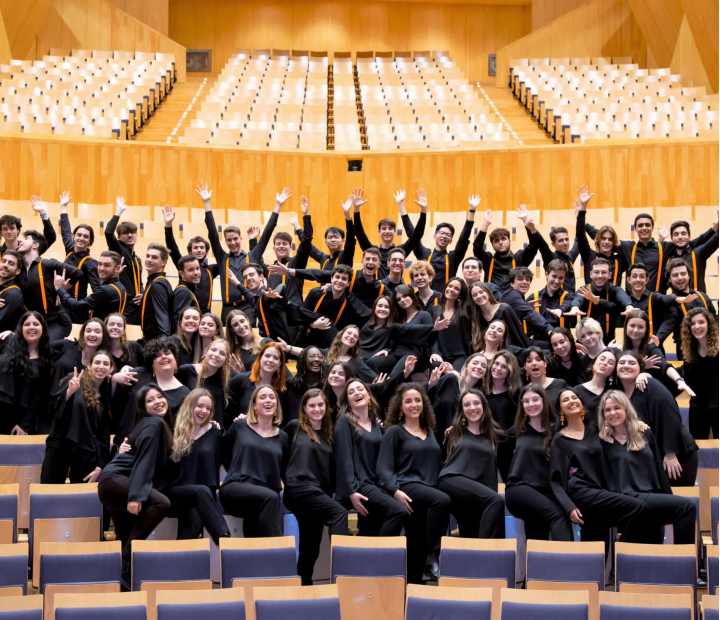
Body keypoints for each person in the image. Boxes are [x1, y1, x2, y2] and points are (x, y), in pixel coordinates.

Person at [599, 390, 695, 545]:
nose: (612, 413)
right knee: (687, 507)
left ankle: (620, 565)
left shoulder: (644, 433)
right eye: (607, 410)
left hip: (649, 497)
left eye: (616, 408)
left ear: (626, 409)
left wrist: (667, 499)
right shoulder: (601, 441)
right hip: (625, 497)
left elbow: (657, 469)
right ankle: (683, 560)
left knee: (652, 541)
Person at [98, 385, 173, 584]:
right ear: (142, 407)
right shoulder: (152, 423)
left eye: (160, 396)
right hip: (116, 482)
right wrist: (136, 495)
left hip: (112, 485)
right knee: (161, 503)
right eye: (150, 400)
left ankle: (123, 587)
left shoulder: (151, 426)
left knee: (126, 538)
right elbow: (144, 460)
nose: (157, 401)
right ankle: (125, 556)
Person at [550, 388, 646, 543]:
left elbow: (620, 427)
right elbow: (555, 480)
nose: (571, 401)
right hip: (580, 491)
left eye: (574, 397)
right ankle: (624, 556)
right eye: (565, 400)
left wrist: (637, 424)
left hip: (601, 491)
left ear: (581, 403)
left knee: (597, 540)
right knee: (637, 507)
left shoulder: (596, 429)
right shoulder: (559, 440)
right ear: (560, 410)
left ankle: (611, 565)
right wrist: (568, 507)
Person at [377, 384, 451, 583]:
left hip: (428, 491)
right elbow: (384, 467)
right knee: (443, 500)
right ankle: (433, 556)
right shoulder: (394, 431)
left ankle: (413, 588)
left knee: (416, 542)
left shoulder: (430, 431)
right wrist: (395, 492)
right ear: (400, 407)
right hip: (407, 488)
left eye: (418, 400)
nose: (414, 404)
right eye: (408, 401)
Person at [283, 389, 349, 584]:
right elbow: (278, 452)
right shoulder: (294, 427)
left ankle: (304, 589)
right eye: (312, 405)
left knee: (310, 547)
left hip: (318, 493)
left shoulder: (330, 434)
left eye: (320, 405)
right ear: (304, 408)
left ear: (327, 407)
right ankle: (342, 575)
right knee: (339, 514)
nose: (317, 409)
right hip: (299, 486)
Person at [197, 183, 287, 322]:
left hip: (248, 306)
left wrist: (278, 206)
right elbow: (212, 232)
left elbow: (267, 233)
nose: (232, 243)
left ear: (241, 238)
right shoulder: (222, 258)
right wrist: (206, 203)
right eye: (229, 240)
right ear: (225, 242)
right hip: (227, 308)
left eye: (235, 239)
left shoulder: (252, 256)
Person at [334, 379, 407, 536]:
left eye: (360, 389)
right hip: (359, 485)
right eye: (351, 392)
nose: (356, 393)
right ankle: (379, 556)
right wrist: (351, 491)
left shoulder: (376, 424)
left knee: (370, 530)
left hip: (376, 484)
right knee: (398, 511)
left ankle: (367, 559)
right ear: (348, 401)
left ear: (368, 395)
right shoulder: (344, 422)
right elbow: (343, 458)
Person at [616, 351, 698, 487]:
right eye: (622, 363)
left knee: (678, 500)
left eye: (632, 363)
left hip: (676, 452)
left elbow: (671, 416)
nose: (626, 366)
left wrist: (671, 453)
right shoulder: (618, 394)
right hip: (652, 455)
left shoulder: (650, 384)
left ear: (640, 368)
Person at [160, 389, 230, 544]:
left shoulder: (214, 432)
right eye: (200, 406)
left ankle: (180, 561)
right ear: (189, 405)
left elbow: (230, 456)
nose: (204, 411)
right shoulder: (172, 429)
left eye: (208, 408)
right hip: (175, 493)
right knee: (199, 495)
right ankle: (226, 540)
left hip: (202, 495)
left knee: (189, 531)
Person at [504, 385, 573, 541]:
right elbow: (491, 441)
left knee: (537, 531)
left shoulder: (556, 430)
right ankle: (569, 564)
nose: (531, 404)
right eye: (526, 401)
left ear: (544, 401)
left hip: (545, 491)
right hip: (519, 488)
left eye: (535, 399)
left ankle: (538, 565)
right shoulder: (516, 431)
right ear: (522, 405)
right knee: (559, 516)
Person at [220, 385, 290, 537]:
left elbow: (285, 471)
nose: (268, 400)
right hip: (236, 487)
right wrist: (236, 469)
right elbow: (223, 452)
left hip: (263, 498)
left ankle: (257, 557)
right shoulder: (240, 426)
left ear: (277, 405)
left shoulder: (283, 437)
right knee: (271, 497)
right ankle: (281, 552)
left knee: (259, 520)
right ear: (254, 405)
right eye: (263, 397)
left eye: (272, 397)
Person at [438, 389, 508, 539]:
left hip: (478, 493)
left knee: (474, 531)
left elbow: (506, 467)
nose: (472, 408)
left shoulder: (497, 436)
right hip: (452, 480)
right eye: (467, 404)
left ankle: (488, 559)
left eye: (476, 403)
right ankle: (482, 552)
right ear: (462, 410)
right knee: (495, 500)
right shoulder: (455, 432)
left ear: (484, 405)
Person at [41, 352, 119, 484]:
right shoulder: (75, 379)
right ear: (89, 366)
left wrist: (100, 466)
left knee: (82, 495)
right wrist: (69, 392)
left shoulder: (106, 396)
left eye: (106, 364)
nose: (101, 366)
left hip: (85, 453)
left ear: (111, 369)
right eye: (97, 362)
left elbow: (102, 437)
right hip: (60, 445)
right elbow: (52, 409)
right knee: (49, 491)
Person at [114, 337, 190, 446]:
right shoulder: (137, 374)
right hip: (124, 441)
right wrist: (114, 377)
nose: (163, 357)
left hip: (154, 446)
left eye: (167, 353)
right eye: (157, 355)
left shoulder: (184, 393)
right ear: (152, 362)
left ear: (175, 359)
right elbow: (115, 400)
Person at [17, 229, 80, 340]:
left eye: (26, 239)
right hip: (34, 322)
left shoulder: (47, 264)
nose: (21, 240)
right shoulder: (19, 270)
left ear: (35, 245)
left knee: (45, 349)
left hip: (56, 320)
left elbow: (77, 273)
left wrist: (61, 289)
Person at [353, 187, 427, 278]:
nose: (387, 231)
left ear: (394, 232)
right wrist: (356, 210)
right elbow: (360, 235)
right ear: (379, 232)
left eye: (390, 228)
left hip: (397, 290)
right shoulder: (373, 251)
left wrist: (423, 211)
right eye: (384, 229)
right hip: (378, 290)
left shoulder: (401, 251)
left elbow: (417, 235)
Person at [409, 192, 476, 292]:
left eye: (448, 235)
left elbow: (463, 239)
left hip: (446, 300)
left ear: (450, 241)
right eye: (441, 233)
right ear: (435, 236)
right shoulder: (424, 253)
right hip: (425, 300)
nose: (444, 236)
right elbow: (413, 236)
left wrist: (472, 211)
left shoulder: (453, 257)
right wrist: (423, 210)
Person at [0, 311, 55, 434]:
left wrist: (23, 424)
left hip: (27, 417)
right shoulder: (8, 343)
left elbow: (38, 395)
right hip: (3, 413)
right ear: (21, 328)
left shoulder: (47, 356)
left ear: (43, 328)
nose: (31, 327)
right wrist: (10, 334)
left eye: (36, 324)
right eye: (27, 324)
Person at [162, 205, 218, 313]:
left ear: (206, 251)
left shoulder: (211, 269)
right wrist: (168, 226)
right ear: (190, 251)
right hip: (189, 313)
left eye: (202, 248)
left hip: (206, 315)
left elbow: (223, 257)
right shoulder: (184, 264)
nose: (199, 250)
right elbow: (173, 250)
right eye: (195, 248)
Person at [565, 258, 634, 344]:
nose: (600, 275)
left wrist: (629, 307)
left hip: (608, 342)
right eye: (596, 272)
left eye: (604, 272)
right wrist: (575, 307)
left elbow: (623, 298)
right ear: (591, 274)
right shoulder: (584, 289)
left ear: (610, 274)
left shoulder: (615, 290)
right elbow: (578, 299)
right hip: (585, 342)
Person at [302, 264, 371, 348]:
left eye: (344, 279)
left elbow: (368, 314)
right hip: (309, 336)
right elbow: (301, 316)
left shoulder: (350, 301)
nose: (340, 281)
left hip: (329, 342)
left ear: (348, 283)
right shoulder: (316, 293)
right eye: (337, 277)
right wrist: (313, 325)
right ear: (331, 279)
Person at [57, 191, 100, 323]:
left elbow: (97, 290)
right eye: (79, 235)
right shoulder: (70, 249)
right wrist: (63, 207)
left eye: (86, 236)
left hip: (76, 308)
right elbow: (65, 231)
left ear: (90, 241)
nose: (81, 238)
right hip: (60, 303)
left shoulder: (91, 263)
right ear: (74, 236)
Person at [473, 205, 539, 292]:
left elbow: (534, 245)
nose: (500, 242)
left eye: (503, 239)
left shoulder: (519, 258)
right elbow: (477, 248)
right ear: (492, 246)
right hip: (493, 301)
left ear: (510, 242)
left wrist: (527, 223)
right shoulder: (488, 259)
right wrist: (485, 225)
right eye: (496, 241)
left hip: (513, 302)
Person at [390, 285, 449, 375]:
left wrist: (429, 360)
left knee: (395, 374)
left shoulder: (424, 315)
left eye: (405, 296)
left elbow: (431, 339)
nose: (402, 300)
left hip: (414, 355)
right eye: (398, 299)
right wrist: (386, 349)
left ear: (412, 295)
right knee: (374, 362)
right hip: (396, 353)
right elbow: (394, 338)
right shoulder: (398, 318)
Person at [666, 258, 718, 359]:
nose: (680, 278)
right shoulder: (669, 302)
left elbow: (715, 320)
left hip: (711, 348)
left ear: (689, 275)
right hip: (686, 351)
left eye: (683, 274)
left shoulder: (703, 296)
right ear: (669, 279)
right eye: (675, 275)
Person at [55, 251, 127, 321]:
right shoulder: (121, 287)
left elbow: (76, 305)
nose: (101, 268)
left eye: (107, 265)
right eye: (99, 264)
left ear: (117, 268)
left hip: (103, 331)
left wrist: (59, 289)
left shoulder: (106, 290)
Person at [681, 307, 719, 439]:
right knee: (697, 449)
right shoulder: (689, 352)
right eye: (692, 323)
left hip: (718, 408)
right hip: (698, 409)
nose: (697, 326)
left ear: (709, 324)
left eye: (701, 322)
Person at [576, 187, 627, 286]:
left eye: (610, 239)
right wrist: (583, 207)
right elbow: (580, 235)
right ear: (598, 240)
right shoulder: (589, 256)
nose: (606, 242)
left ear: (613, 242)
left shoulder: (620, 260)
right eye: (603, 238)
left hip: (613, 301)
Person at [177, 339, 232, 428]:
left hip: (213, 431)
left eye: (222, 353)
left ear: (226, 360)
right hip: (187, 427)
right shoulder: (186, 371)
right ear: (206, 352)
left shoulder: (226, 381)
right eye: (213, 350)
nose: (216, 355)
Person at [105, 197, 143, 324]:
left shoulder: (137, 259)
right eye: (126, 233)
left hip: (137, 305)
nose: (130, 235)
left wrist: (141, 293)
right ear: (119, 237)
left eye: (133, 232)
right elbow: (108, 232)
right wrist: (118, 211)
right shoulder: (119, 249)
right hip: (123, 304)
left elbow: (139, 282)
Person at [625, 263, 681, 348]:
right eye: (634, 276)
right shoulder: (625, 301)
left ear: (647, 280)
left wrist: (659, 337)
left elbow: (671, 318)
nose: (638, 279)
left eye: (642, 276)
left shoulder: (656, 299)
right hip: (631, 349)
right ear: (628, 280)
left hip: (654, 347)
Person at [228, 342, 288, 420]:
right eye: (267, 356)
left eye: (276, 358)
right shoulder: (240, 380)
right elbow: (227, 409)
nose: (271, 360)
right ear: (260, 357)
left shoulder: (281, 391)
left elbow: (279, 420)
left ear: (280, 364)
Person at [525, 209, 579, 292]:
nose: (565, 243)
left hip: (570, 300)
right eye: (560, 240)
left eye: (566, 239)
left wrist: (580, 218)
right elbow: (543, 246)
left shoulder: (570, 257)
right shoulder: (551, 258)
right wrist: (533, 229)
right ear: (553, 244)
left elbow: (579, 240)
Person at [661, 217, 719, 293]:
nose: (680, 237)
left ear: (689, 236)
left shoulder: (698, 253)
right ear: (671, 239)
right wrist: (660, 240)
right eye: (676, 234)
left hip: (698, 302)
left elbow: (716, 238)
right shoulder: (668, 260)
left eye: (683, 233)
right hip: (677, 303)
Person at [304, 192, 357, 272]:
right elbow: (307, 244)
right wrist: (306, 215)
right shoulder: (323, 258)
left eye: (336, 237)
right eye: (330, 237)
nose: (333, 240)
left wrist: (347, 213)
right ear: (326, 242)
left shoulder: (345, 256)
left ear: (343, 241)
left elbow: (351, 239)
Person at [469, 282, 529, 349]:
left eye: (481, 292)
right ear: (472, 300)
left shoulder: (505, 309)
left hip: (509, 353)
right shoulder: (476, 318)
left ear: (488, 292)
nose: (479, 296)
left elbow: (518, 334)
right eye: (475, 295)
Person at [52, 317, 110, 385]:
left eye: (97, 332)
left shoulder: (103, 360)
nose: (92, 335)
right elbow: (43, 348)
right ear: (83, 334)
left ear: (103, 336)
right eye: (88, 331)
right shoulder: (68, 343)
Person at [430, 278, 473, 371]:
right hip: (439, 354)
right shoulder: (434, 310)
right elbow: (431, 335)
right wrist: (434, 352)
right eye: (450, 286)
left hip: (460, 355)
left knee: (454, 376)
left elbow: (468, 338)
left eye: (456, 289)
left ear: (460, 294)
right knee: (435, 367)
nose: (452, 289)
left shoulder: (464, 313)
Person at [503, 266, 553, 341]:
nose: (524, 282)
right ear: (511, 283)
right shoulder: (511, 295)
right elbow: (529, 312)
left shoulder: (517, 297)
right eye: (520, 279)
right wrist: (550, 330)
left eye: (527, 279)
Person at [526, 259, 575, 331]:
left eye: (561, 278)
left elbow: (567, 304)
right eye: (554, 276)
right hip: (539, 340)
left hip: (561, 340)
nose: (557, 281)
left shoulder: (568, 296)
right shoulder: (533, 298)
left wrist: (561, 309)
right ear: (546, 274)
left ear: (564, 279)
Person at [139, 243, 173, 341]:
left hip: (156, 341)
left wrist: (163, 344)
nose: (149, 260)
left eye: (154, 257)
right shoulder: (155, 281)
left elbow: (162, 315)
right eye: (147, 256)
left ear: (163, 262)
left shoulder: (158, 284)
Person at [521, 346, 569, 412]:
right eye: (529, 361)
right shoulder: (524, 391)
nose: (534, 363)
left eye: (538, 359)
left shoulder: (560, 384)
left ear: (545, 364)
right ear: (525, 367)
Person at [485, 351, 523, 431]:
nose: (498, 368)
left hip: (506, 439)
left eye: (504, 367)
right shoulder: (481, 391)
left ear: (510, 371)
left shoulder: (516, 395)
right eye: (496, 363)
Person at [360, 295, 398, 375]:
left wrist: (387, 350)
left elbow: (395, 345)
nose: (382, 309)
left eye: (386, 307)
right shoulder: (367, 326)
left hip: (378, 357)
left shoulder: (393, 327)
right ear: (374, 308)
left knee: (370, 362)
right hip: (362, 354)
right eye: (380, 306)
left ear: (391, 310)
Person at [573, 348, 618, 415]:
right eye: (602, 359)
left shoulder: (615, 390)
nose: (605, 363)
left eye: (610, 363)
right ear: (594, 363)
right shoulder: (577, 390)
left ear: (613, 370)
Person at [286, 346, 325, 420]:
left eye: (320, 357)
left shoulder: (326, 387)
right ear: (304, 360)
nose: (316, 359)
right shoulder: (290, 384)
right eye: (312, 356)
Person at [171, 255, 201, 331]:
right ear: (182, 274)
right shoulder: (183, 292)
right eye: (191, 270)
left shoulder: (187, 289)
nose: (196, 273)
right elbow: (178, 323)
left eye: (197, 268)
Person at [0, 249, 27, 332]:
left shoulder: (12, 294)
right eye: (3, 261)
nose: (5, 265)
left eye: (11, 264)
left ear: (18, 271)